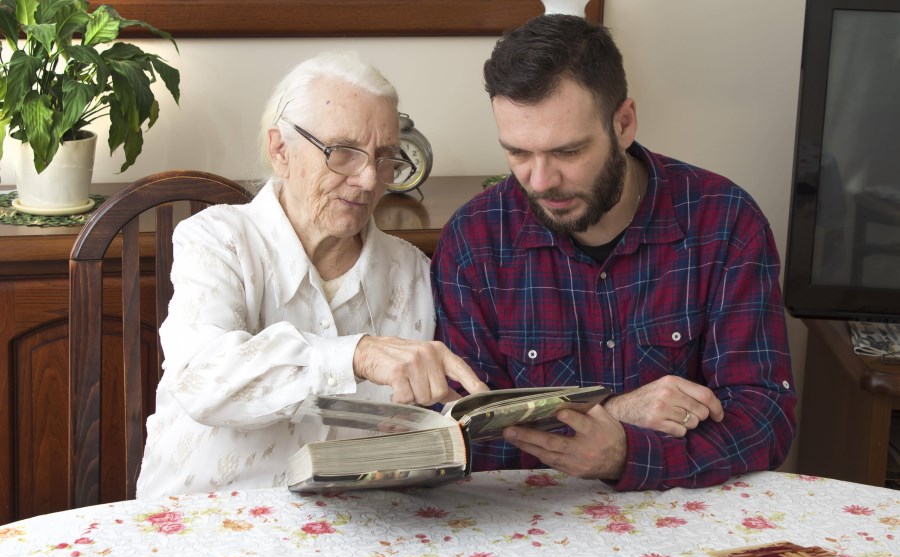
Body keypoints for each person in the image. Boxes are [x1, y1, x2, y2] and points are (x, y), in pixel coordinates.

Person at [431, 15, 797, 491]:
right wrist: (617, 417)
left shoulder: (725, 221)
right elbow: (464, 438)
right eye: (518, 153)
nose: (540, 182)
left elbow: (766, 418)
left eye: (567, 152)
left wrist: (627, 454)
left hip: (686, 524)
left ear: (623, 124)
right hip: (530, 528)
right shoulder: (474, 241)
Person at [137, 52, 486, 498]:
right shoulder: (216, 240)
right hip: (205, 522)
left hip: (355, 532)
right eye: (343, 153)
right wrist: (355, 355)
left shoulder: (413, 273)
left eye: (385, 158)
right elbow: (202, 380)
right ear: (281, 149)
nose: (367, 180)